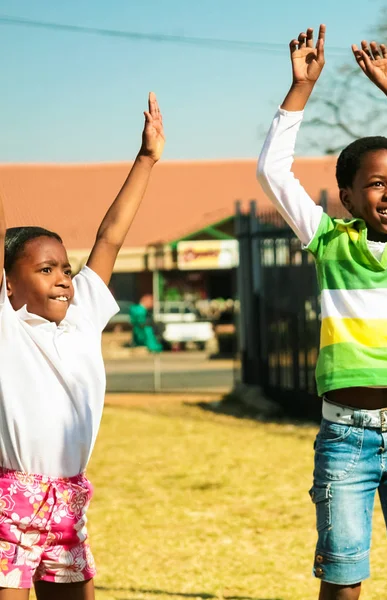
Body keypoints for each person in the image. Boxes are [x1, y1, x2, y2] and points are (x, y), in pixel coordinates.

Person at [0, 92, 165, 599]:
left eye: (65, 269)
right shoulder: (6, 324)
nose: (63, 279)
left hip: (71, 498)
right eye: (44, 270)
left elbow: (111, 237)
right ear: (8, 283)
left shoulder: (85, 315)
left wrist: (146, 158)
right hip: (11, 501)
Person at [257, 24, 387, 600]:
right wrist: (301, 89)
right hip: (346, 437)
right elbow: (272, 171)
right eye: (376, 184)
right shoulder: (328, 239)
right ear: (345, 195)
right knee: (342, 576)